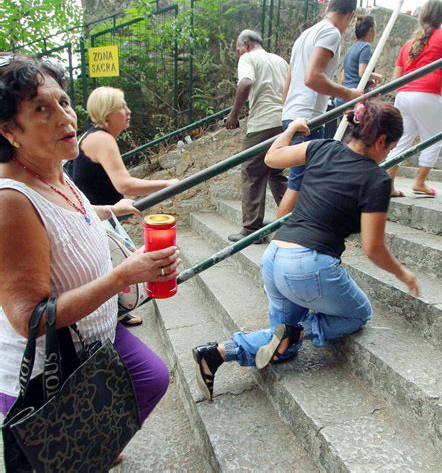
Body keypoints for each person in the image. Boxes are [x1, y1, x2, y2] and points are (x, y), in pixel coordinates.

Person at [0, 55, 179, 441]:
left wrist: (109, 210)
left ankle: (99, 446)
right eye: (41, 109)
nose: (65, 117)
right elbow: (29, 318)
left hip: (94, 338)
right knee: (67, 450)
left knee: (150, 379)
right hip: (50, 367)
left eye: (63, 102)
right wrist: (122, 277)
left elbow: (64, 214)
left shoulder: (51, 168)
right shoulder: (9, 201)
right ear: (10, 130)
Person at [192, 99, 420, 401]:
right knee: (358, 313)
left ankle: (218, 353)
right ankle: (298, 332)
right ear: (380, 141)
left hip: (274, 257)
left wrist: (291, 131)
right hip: (307, 267)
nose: (388, 153)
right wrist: (403, 274)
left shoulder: (321, 147)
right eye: (390, 147)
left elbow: (272, 158)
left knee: (283, 347)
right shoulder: (376, 178)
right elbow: (373, 247)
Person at [71, 86, 179, 325]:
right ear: (107, 113)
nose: (128, 111)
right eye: (122, 106)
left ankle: (115, 312)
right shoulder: (102, 138)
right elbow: (124, 185)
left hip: (92, 215)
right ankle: (113, 314)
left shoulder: (93, 136)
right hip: (97, 218)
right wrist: (167, 184)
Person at [277, 0, 363, 218]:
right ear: (350, 15)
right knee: (299, 183)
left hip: (295, 114)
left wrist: (287, 113)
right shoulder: (330, 33)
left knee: (303, 181)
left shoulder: (306, 34)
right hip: (309, 118)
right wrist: (348, 94)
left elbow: (290, 79)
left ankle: (290, 236)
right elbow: (312, 77)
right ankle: (278, 240)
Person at [387, 0, 442, 197]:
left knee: (402, 140)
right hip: (427, 94)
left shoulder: (409, 44)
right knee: (434, 139)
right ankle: (419, 182)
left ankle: (389, 184)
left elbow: (396, 79)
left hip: (403, 95)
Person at [225, 30, 288, 243]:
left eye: (238, 48)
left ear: (248, 45)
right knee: (274, 171)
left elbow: (245, 82)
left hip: (262, 124)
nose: (238, 53)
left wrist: (233, 116)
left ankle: (251, 230)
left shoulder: (248, 58)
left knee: (251, 172)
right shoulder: (280, 61)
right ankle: (296, 218)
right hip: (284, 122)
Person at [335, 15, 383, 107]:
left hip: (344, 97)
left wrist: (369, 81)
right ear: (370, 30)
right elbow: (362, 73)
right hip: (356, 96)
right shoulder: (366, 47)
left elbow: (343, 75)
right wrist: (378, 77)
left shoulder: (351, 48)